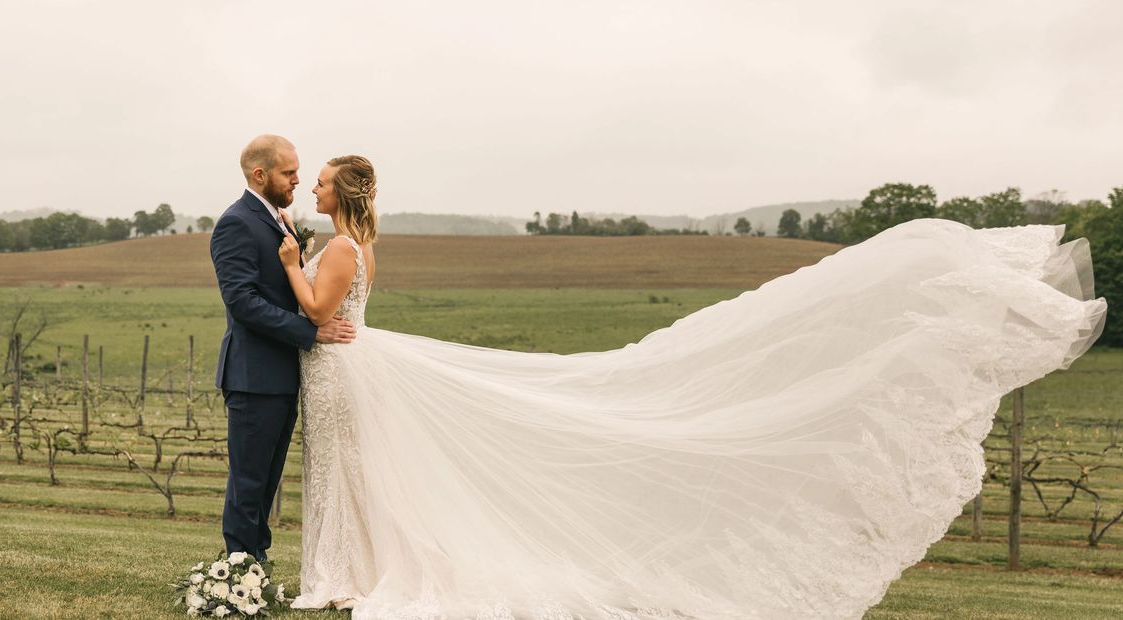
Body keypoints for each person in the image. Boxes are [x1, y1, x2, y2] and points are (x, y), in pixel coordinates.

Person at [279, 154, 1106, 619]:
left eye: (318, 181)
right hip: (342, 365)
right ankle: (346, 571)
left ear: (339, 193)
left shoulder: (340, 249)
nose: (310, 187)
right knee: (355, 473)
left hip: (341, 367)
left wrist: (288, 265)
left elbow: (320, 307)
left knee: (355, 469)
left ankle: (347, 576)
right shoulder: (352, 242)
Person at [209, 135, 355, 563]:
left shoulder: (280, 220)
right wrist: (311, 332)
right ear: (260, 174)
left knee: (267, 482)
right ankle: (238, 575)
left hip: (284, 374)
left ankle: (257, 565)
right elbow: (242, 302)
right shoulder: (237, 223)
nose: (297, 179)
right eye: (288, 173)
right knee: (249, 483)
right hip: (253, 376)